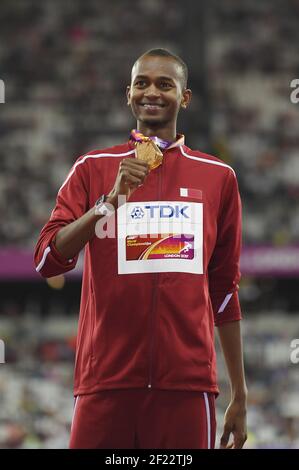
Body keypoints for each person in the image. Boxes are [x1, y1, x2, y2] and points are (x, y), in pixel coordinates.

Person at [34, 48, 247, 449]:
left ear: (184, 97)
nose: (152, 92)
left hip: (187, 386)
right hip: (105, 382)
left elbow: (224, 291)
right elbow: (47, 260)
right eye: (142, 83)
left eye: (165, 84)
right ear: (127, 93)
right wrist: (108, 203)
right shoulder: (92, 168)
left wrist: (240, 391)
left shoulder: (219, 177)